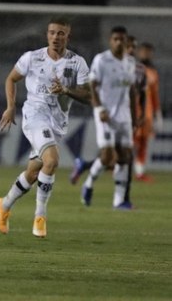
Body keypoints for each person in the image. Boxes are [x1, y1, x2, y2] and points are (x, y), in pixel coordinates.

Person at [0, 16, 90, 238]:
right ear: (47, 34)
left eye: (61, 33)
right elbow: (11, 79)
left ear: (68, 35)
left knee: (34, 170)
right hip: (34, 116)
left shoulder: (77, 62)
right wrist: (10, 107)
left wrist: (67, 90)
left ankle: (5, 205)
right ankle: (40, 216)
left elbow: (88, 95)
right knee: (53, 161)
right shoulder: (32, 57)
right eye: (52, 32)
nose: (55, 37)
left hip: (58, 122)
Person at [69, 34, 145, 205]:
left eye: (132, 46)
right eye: (129, 46)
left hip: (124, 117)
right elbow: (93, 87)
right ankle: (88, 184)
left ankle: (119, 201)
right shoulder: (103, 61)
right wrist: (100, 108)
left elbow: (136, 94)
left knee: (124, 157)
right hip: (106, 116)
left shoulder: (135, 67)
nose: (130, 49)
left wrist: (135, 117)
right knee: (108, 157)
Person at [133, 42, 163, 181]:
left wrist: (158, 114)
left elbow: (155, 95)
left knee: (143, 143)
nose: (146, 54)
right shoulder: (133, 69)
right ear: (139, 53)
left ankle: (139, 172)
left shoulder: (153, 72)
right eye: (144, 51)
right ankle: (117, 167)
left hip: (148, 114)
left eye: (148, 51)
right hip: (134, 112)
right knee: (131, 142)